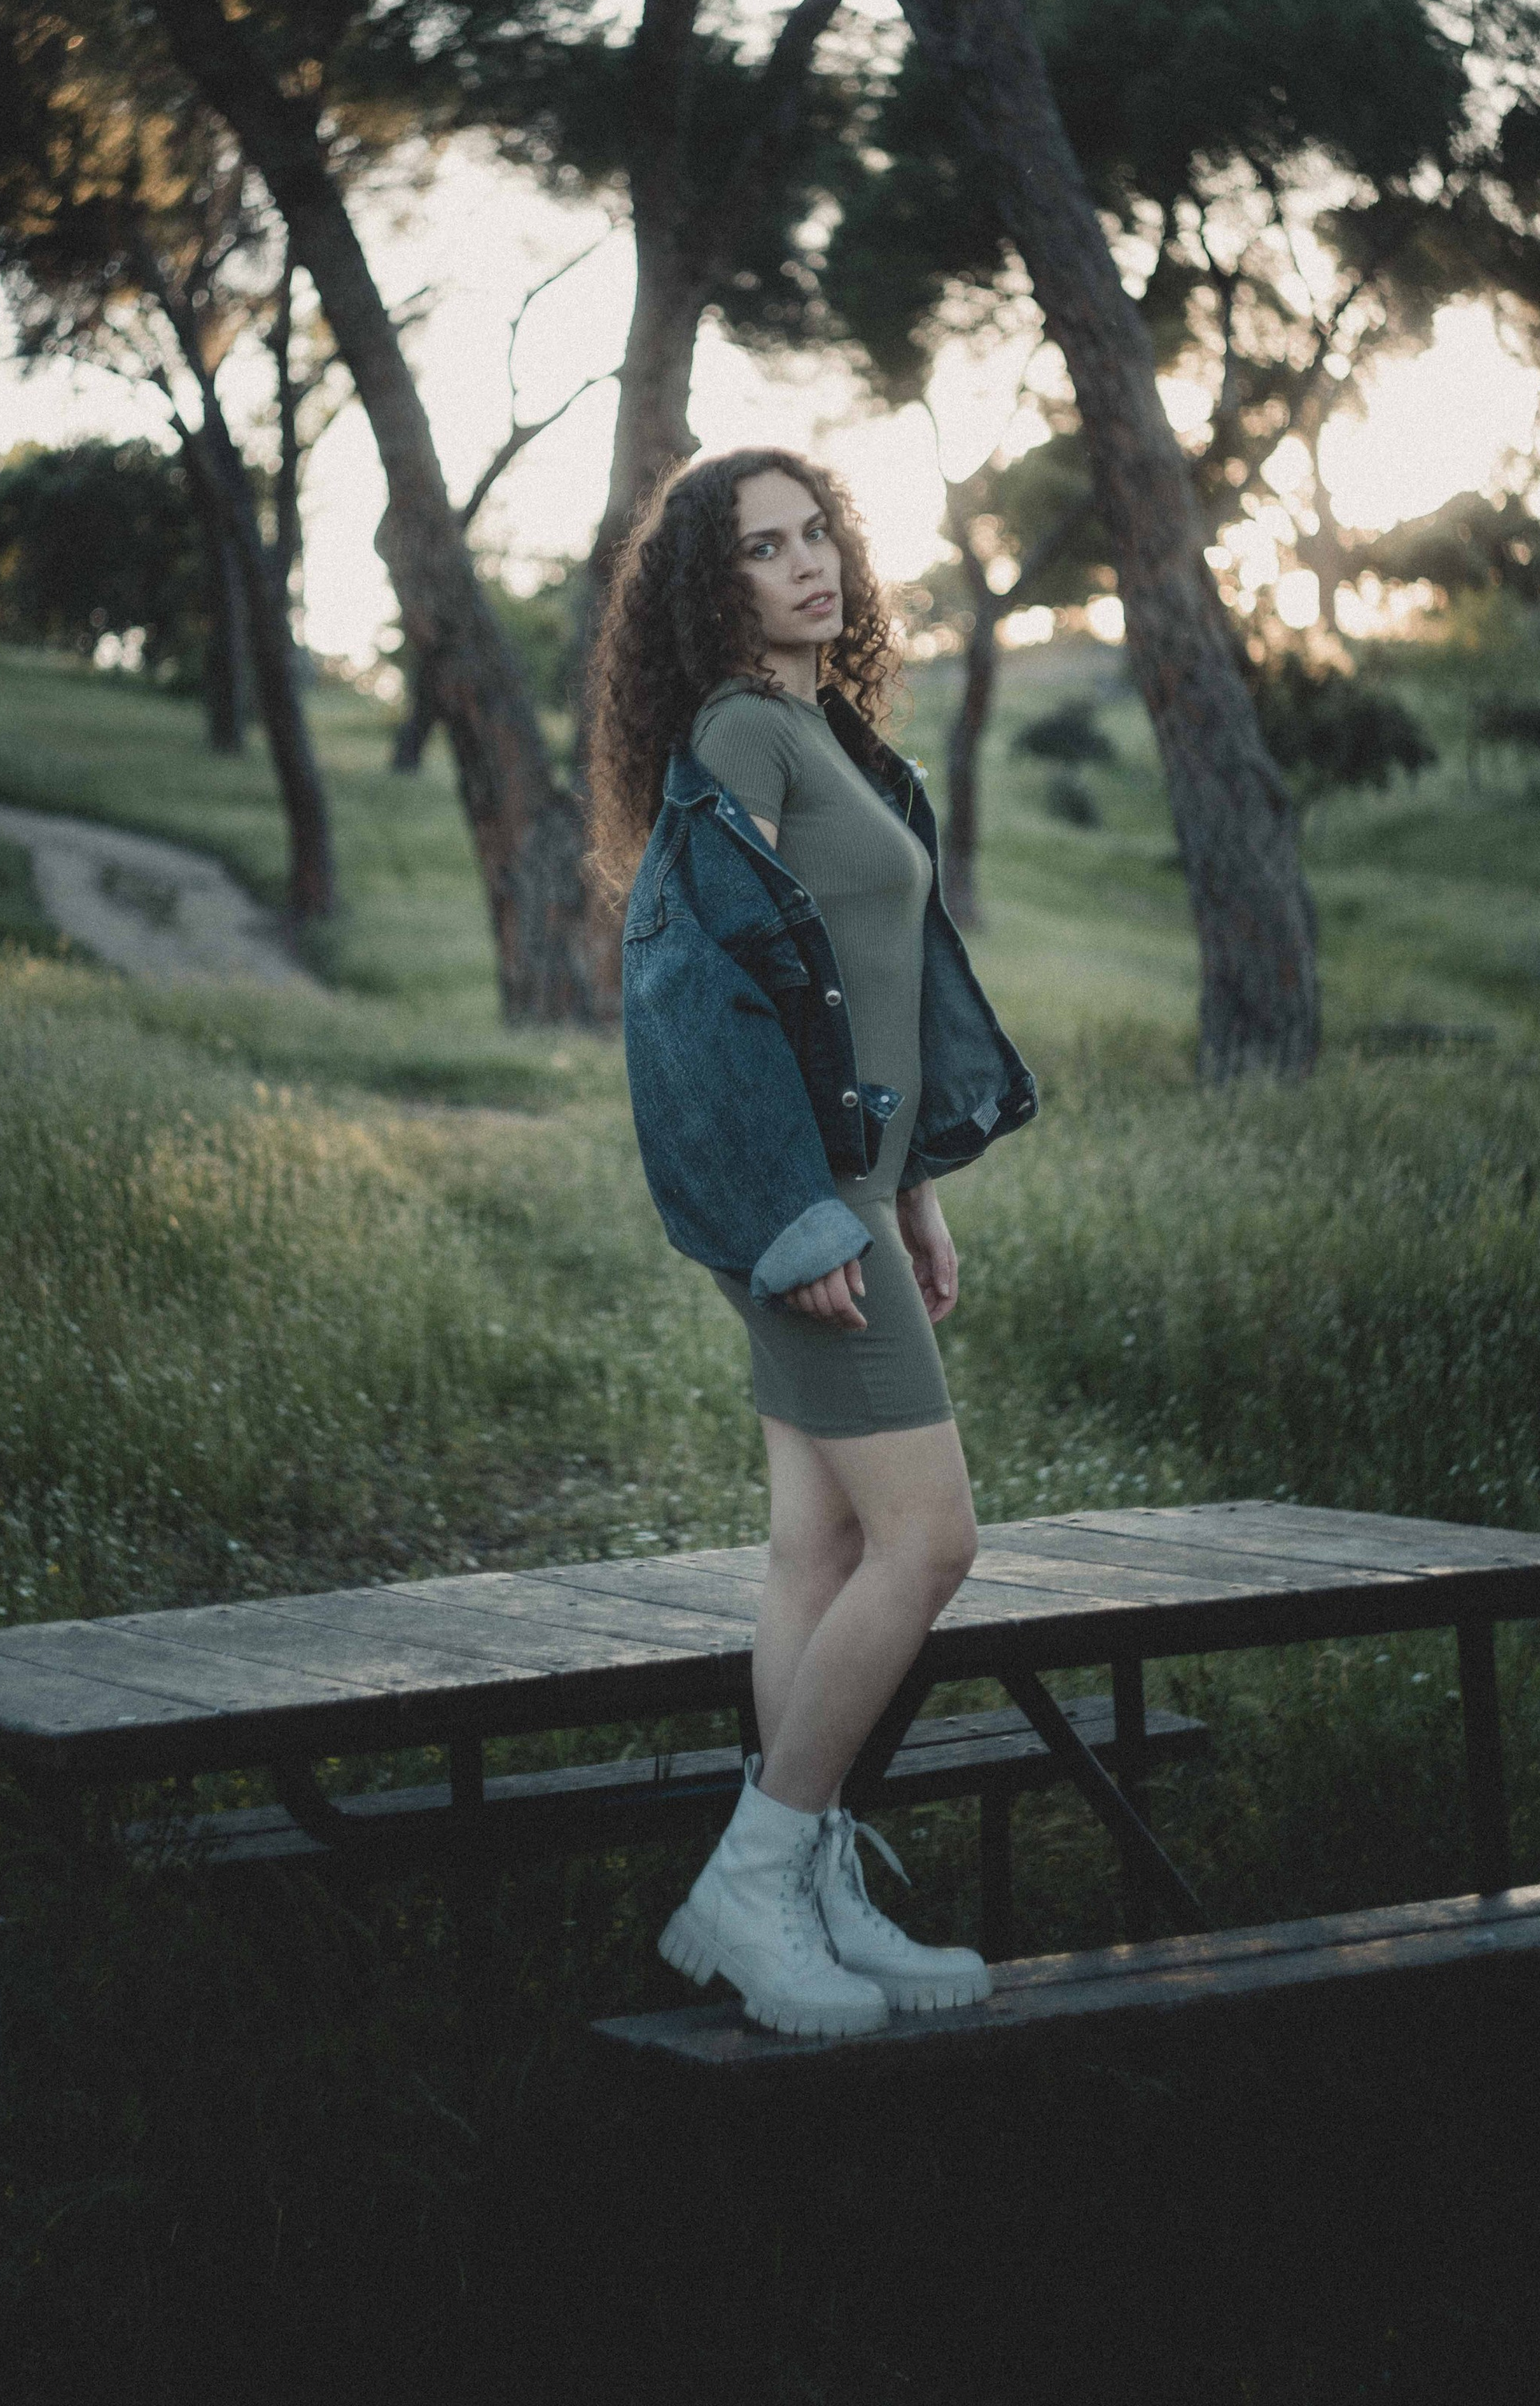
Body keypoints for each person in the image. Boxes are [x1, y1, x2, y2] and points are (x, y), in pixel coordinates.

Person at [585, 449, 1038, 2039]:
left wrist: (913, 1187)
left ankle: (814, 1884)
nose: (804, 567)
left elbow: (864, 981)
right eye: (763, 549)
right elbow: (692, 988)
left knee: (820, 1548)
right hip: (794, 1210)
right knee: (929, 1543)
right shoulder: (737, 735)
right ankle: (751, 1877)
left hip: (848, 1195)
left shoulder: (820, 734)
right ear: (715, 590)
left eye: (816, 536)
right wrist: (793, 1217)